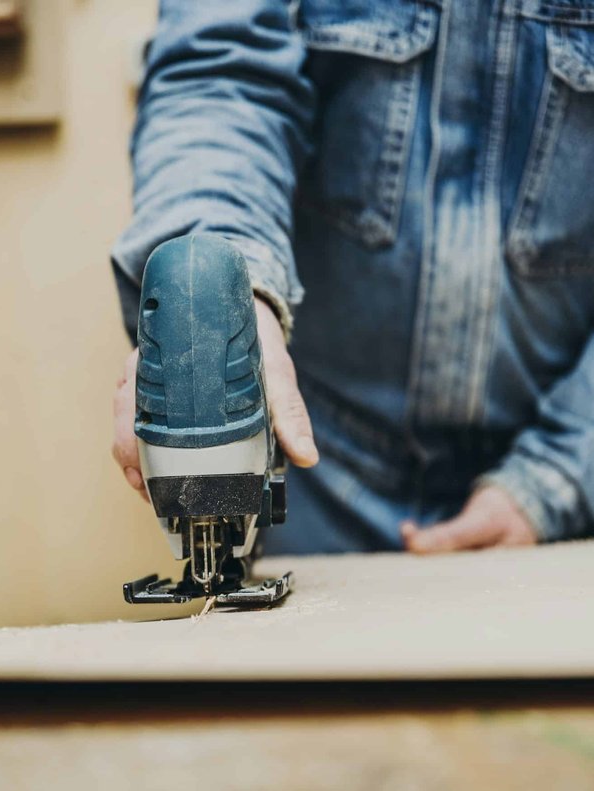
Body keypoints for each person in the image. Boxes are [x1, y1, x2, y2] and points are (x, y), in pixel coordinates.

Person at [112, 0, 594, 555]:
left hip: (565, 472)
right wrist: (229, 297)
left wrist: (558, 478)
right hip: (318, 474)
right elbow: (220, 77)